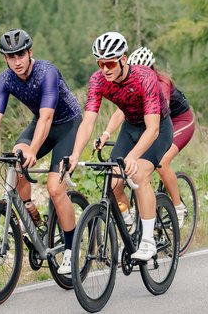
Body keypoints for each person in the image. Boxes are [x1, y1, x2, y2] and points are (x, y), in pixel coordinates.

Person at [0, 29, 82, 275]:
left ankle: (72, 250)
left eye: (21, 55)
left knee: (54, 187)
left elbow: (47, 116)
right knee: (15, 157)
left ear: (30, 52)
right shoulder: (5, 79)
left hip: (68, 125)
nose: (17, 61)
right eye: (11, 57)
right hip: (40, 124)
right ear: (5, 59)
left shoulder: (46, 72)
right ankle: (30, 211)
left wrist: (34, 150)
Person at [69, 32, 173, 261]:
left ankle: (148, 241)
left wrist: (134, 156)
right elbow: (88, 121)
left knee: (140, 175)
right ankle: (129, 222)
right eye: (100, 63)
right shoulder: (98, 80)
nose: (105, 68)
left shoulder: (145, 77)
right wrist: (75, 153)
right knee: (114, 181)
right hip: (130, 127)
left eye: (110, 62)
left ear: (123, 60)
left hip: (158, 128)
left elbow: (153, 129)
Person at [96, 47, 196, 228]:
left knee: (162, 162)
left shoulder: (161, 82)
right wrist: (106, 133)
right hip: (148, 121)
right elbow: (120, 113)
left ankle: (178, 206)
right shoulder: (131, 81)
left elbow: (158, 114)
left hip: (179, 120)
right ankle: (136, 216)